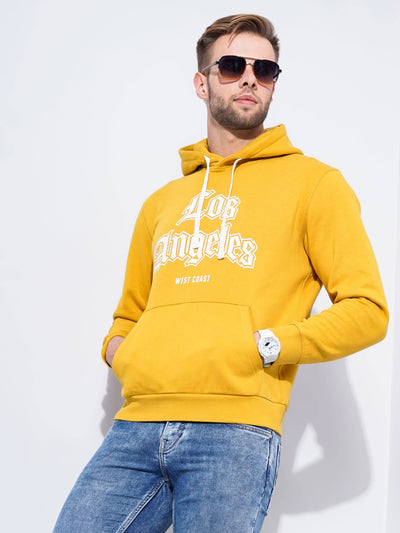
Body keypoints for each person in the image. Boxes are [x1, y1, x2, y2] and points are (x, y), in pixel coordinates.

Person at [53, 13, 388, 533]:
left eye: (265, 70)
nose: (250, 78)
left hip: (235, 432)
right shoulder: (162, 202)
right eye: (232, 66)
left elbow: (368, 311)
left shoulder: (315, 185)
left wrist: (266, 346)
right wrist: (127, 353)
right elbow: (129, 313)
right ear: (202, 82)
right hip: (135, 426)